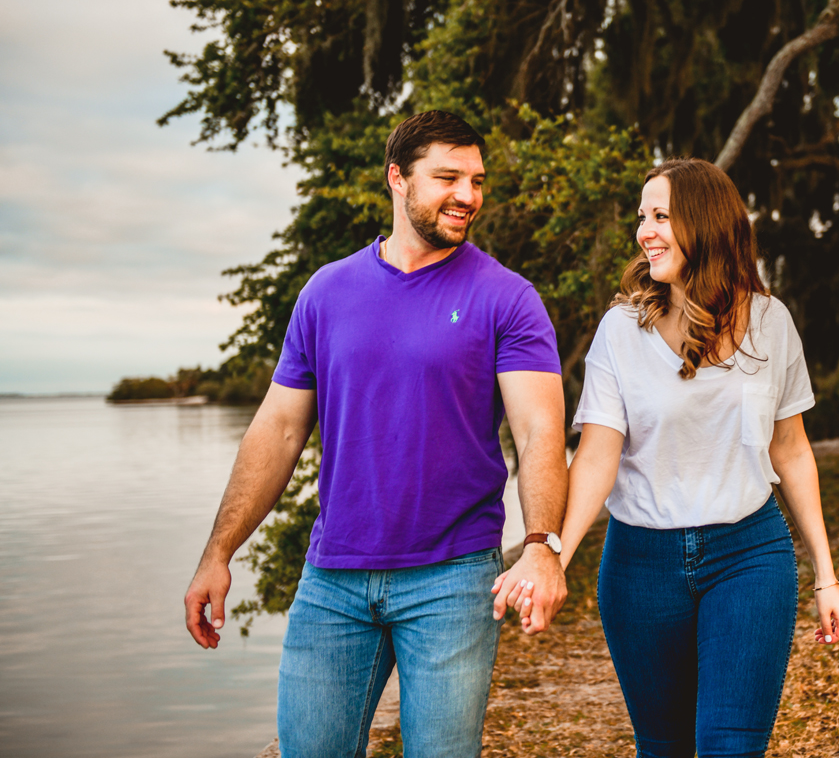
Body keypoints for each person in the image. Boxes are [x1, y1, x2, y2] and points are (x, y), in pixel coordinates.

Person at [183, 110, 570, 758]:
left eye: (476, 180)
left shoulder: (508, 298)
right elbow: (278, 431)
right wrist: (219, 552)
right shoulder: (327, 293)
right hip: (332, 579)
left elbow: (538, 431)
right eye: (447, 177)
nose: (468, 195)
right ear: (398, 178)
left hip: (451, 577)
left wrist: (539, 544)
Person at [556, 158, 839, 757]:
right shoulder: (620, 331)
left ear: (707, 223)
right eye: (643, 217)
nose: (645, 231)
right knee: (664, 748)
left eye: (661, 215)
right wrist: (553, 558)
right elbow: (595, 458)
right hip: (641, 565)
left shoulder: (771, 322)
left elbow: (790, 450)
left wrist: (827, 574)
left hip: (749, 555)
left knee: (730, 747)